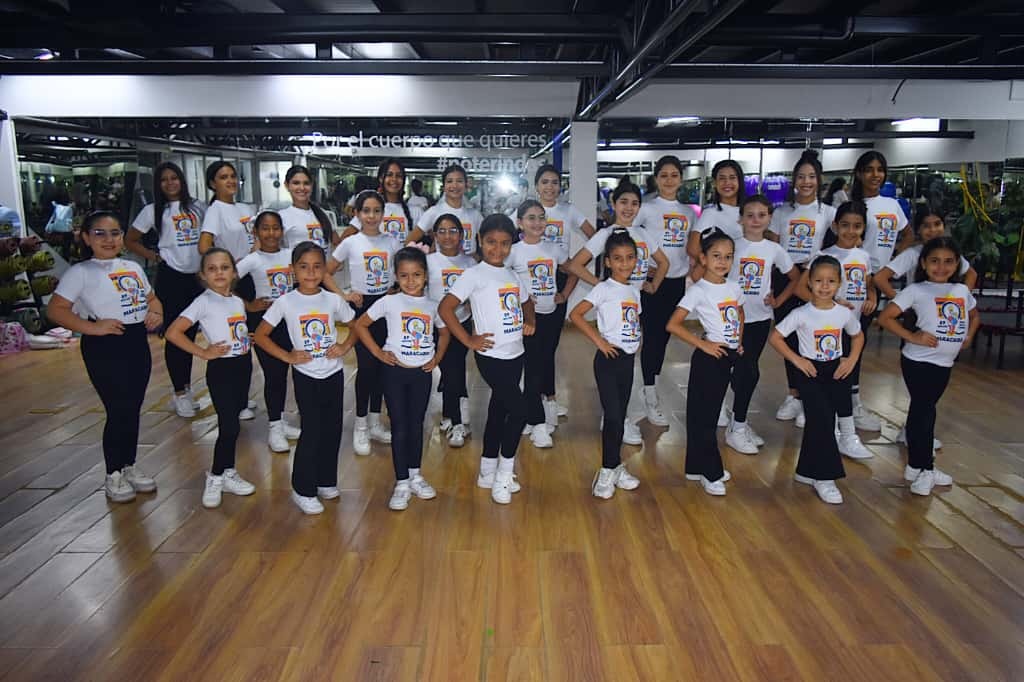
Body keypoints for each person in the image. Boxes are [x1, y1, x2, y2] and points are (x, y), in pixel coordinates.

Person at [47, 211, 163, 503]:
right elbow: (56, 310)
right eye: (100, 233)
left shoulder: (132, 267)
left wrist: (156, 313)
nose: (108, 239)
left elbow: (152, 299)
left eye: (115, 233)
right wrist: (93, 327)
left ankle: (129, 465)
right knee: (118, 408)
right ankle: (113, 473)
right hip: (104, 347)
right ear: (86, 238)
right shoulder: (80, 272)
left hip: (136, 343)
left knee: (132, 407)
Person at [439, 214, 536, 505]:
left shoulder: (512, 275)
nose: (498, 249)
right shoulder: (474, 274)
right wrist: (469, 339)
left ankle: (487, 470)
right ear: (480, 240)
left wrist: (530, 321)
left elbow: (526, 302)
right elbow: (445, 308)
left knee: (498, 410)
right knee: (520, 411)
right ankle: (504, 474)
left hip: (515, 353)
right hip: (490, 355)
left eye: (505, 243)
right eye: (492, 242)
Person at [254, 242, 357, 514]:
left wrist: (345, 346)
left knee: (333, 428)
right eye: (303, 267)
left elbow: (356, 325)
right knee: (311, 430)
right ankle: (303, 489)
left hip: (333, 373)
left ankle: (326, 480)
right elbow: (261, 335)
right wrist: (287, 356)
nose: (311, 273)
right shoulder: (285, 302)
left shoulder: (333, 300)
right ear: (293, 270)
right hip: (306, 375)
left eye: (317, 267)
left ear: (324, 270)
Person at [564, 181, 669, 444]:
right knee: (612, 359)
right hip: (614, 303)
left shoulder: (643, 233)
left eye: (634, 203)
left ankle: (621, 415)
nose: (629, 208)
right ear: (613, 204)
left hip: (635, 301)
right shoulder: (605, 234)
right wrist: (601, 285)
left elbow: (663, 262)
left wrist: (653, 285)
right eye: (623, 202)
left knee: (630, 361)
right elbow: (576, 264)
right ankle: (614, 418)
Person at [878, 236, 980, 496]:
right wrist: (913, 337)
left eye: (948, 262)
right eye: (934, 261)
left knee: (921, 411)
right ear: (923, 263)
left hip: (945, 363)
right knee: (925, 412)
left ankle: (914, 466)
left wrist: (968, 336)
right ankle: (926, 468)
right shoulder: (916, 290)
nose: (941, 267)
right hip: (918, 361)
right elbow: (886, 317)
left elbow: (974, 315)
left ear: (957, 265)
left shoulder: (961, 291)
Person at [353, 247, 450, 510]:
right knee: (399, 425)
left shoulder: (433, 306)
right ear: (396, 276)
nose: (410, 281)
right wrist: (378, 353)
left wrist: (437, 358)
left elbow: (444, 333)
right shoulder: (389, 301)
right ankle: (402, 482)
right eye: (404, 275)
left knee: (417, 424)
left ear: (426, 276)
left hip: (422, 374)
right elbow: (360, 325)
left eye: (416, 275)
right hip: (394, 372)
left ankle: (415, 475)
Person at [768, 255, 865, 505]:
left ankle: (807, 470)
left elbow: (858, 336)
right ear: (809, 283)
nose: (824, 286)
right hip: (810, 373)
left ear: (839, 284)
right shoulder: (801, 313)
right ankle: (825, 476)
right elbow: (776, 337)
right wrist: (797, 360)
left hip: (836, 372)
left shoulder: (843, 313)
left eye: (831, 281)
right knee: (821, 421)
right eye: (819, 280)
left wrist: (851, 360)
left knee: (821, 422)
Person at [165, 248, 257, 509]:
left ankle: (228, 472)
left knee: (234, 423)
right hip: (221, 370)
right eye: (212, 269)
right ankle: (215, 476)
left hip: (242, 365)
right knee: (229, 426)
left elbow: (230, 328)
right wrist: (203, 352)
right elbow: (173, 332)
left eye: (224, 267)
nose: (219, 273)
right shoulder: (202, 302)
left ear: (234, 273)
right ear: (203, 275)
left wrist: (244, 337)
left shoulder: (236, 301)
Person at [126, 161, 207, 418]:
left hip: (198, 277)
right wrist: (155, 256)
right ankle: (179, 393)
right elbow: (130, 240)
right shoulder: (152, 211)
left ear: (182, 180)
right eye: (164, 179)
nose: (170, 183)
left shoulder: (198, 207)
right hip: (171, 278)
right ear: (158, 185)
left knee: (190, 335)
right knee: (175, 335)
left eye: (174, 178)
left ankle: (187, 388)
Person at [666, 227, 742, 496]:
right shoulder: (698, 290)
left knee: (705, 413)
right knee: (705, 417)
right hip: (709, 358)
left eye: (728, 256)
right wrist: (704, 344)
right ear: (704, 258)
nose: (723, 262)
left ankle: (695, 466)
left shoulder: (734, 287)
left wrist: (738, 340)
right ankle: (711, 471)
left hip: (728, 355)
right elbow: (673, 324)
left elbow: (739, 312)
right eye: (716, 256)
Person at [569, 228, 643, 499]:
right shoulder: (603, 288)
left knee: (619, 417)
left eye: (630, 257)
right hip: (608, 360)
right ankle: (606, 470)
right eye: (618, 258)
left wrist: (636, 343)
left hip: (627, 361)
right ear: (609, 262)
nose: (625, 263)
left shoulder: (634, 291)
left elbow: (633, 321)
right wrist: (600, 342)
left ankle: (615, 465)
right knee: (612, 416)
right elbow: (576, 315)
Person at [722, 195, 798, 455]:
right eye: (750, 215)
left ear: (769, 218)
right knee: (742, 372)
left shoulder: (774, 249)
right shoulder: (732, 246)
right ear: (741, 219)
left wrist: (778, 300)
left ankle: (738, 422)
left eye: (761, 215)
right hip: (732, 320)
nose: (755, 220)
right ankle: (737, 423)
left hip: (760, 320)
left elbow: (795, 277)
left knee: (748, 371)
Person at [797, 201, 880, 438]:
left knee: (848, 370)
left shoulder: (864, 256)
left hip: (854, 325)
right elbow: (800, 289)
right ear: (835, 226)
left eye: (857, 226)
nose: (850, 231)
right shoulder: (824, 256)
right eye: (845, 225)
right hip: (828, 327)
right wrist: (829, 305)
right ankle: (823, 415)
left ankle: (847, 418)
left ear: (863, 228)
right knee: (828, 372)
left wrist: (872, 297)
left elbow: (868, 283)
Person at [768, 150, 837, 426]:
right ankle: (794, 394)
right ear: (794, 180)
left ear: (819, 180)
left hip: (814, 279)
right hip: (785, 278)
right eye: (801, 177)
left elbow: (840, 244)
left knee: (814, 335)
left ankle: (812, 397)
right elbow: (773, 247)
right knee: (789, 338)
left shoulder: (829, 213)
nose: (806, 182)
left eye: (811, 177)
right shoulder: (782, 212)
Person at [327, 190, 398, 455]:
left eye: (376, 211)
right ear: (357, 214)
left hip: (386, 310)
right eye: (366, 211)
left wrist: (395, 288)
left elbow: (402, 272)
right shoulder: (350, 242)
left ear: (383, 214)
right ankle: (360, 425)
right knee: (366, 368)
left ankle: (375, 421)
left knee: (383, 365)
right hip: (362, 310)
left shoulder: (392, 242)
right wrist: (344, 295)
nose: (371, 216)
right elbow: (326, 272)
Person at [634, 155, 697, 426]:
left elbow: (691, 247)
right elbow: (629, 237)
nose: (669, 180)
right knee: (651, 337)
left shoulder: (688, 212)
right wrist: (640, 268)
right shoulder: (646, 208)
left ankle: (653, 382)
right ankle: (650, 393)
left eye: (674, 175)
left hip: (676, 282)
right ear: (656, 178)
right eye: (664, 175)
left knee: (664, 337)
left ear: (681, 179)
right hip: (652, 281)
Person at [236, 211, 303, 453]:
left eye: (276, 228)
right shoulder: (252, 260)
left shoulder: (290, 255)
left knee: (287, 372)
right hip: (265, 323)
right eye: (265, 228)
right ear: (256, 232)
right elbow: (222, 281)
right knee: (273, 373)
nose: (271, 233)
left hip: (290, 321)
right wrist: (248, 305)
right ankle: (274, 427)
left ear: (282, 231)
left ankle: (281, 420)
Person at [533, 164, 595, 418]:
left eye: (555, 182)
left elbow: (595, 237)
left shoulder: (568, 211)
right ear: (536, 186)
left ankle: (548, 397)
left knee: (550, 344)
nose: (550, 187)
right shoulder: (527, 210)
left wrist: (573, 272)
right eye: (545, 182)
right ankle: (536, 398)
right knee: (534, 345)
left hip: (560, 277)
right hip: (532, 279)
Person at [507, 199, 567, 447]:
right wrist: (519, 299)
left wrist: (565, 293)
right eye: (531, 218)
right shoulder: (514, 251)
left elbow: (573, 269)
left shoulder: (553, 248)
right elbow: (502, 279)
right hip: (527, 318)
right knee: (531, 368)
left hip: (550, 315)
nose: (537, 222)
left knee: (542, 363)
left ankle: (532, 416)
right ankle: (538, 423)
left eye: (541, 217)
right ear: (520, 223)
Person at [426, 214, 476, 447]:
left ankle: (457, 423)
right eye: (442, 231)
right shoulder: (428, 261)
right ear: (435, 236)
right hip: (436, 325)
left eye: (453, 231)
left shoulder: (470, 263)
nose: (448, 236)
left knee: (454, 368)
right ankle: (451, 415)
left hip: (461, 323)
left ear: (462, 235)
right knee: (448, 369)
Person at [851, 151, 913, 276]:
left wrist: (894, 262)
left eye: (880, 170)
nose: (875, 175)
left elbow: (909, 235)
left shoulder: (893, 204)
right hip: (858, 272)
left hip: (882, 276)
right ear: (859, 174)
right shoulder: (851, 207)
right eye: (869, 170)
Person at [406, 164, 484, 255]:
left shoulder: (475, 215)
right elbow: (409, 241)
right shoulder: (434, 212)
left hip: (468, 264)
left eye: (459, 181)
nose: (454, 185)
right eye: (449, 181)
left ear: (466, 185)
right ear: (443, 186)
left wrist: (477, 257)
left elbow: (487, 241)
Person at [688, 160, 745, 281]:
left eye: (732, 178)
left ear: (740, 181)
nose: (727, 183)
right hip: (720, 280)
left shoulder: (749, 212)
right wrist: (716, 268)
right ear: (715, 183)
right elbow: (693, 248)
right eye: (722, 178)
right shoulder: (711, 213)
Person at [342, 159, 420, 244]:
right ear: (381, 179)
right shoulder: (370, 209)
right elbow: (344, 239)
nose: (394, 179)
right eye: (389, 175)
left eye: (399, 176)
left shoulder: (416, 211)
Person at [278, 165, 339, 251]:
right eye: (296, 183)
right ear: (287, 185)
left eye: (306, 183)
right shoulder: (281, 217)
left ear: (312, 185)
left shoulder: (323, 214)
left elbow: (337, 244)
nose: (302, 188)